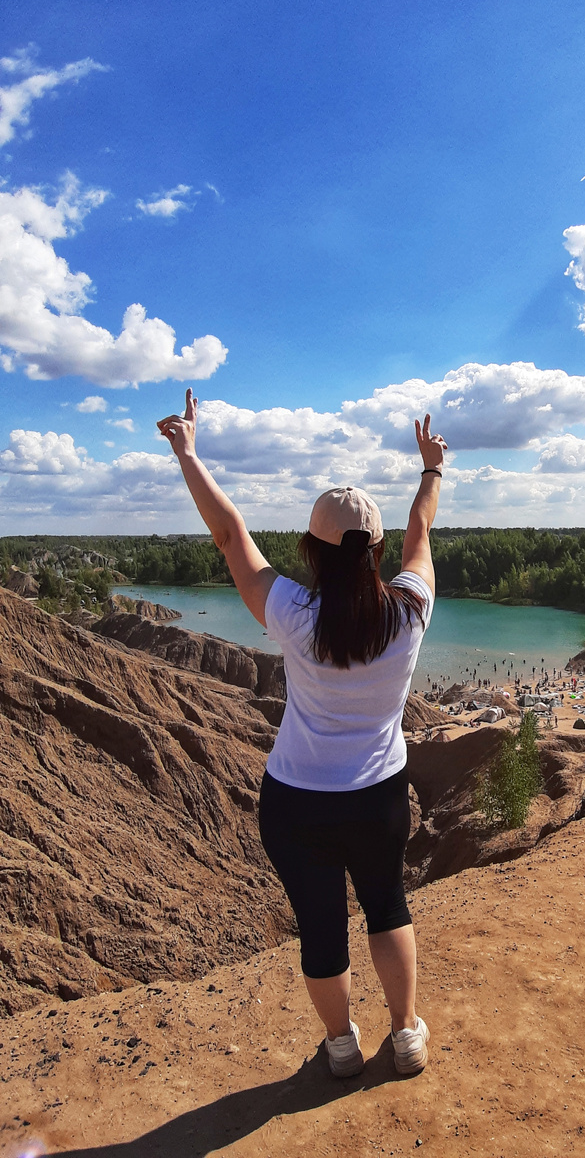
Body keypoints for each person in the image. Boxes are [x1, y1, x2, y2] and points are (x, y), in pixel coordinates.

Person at [157, 389, 447, 1078]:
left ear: (311, 550)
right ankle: (406, 1036)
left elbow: (230, 535)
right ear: (373, 552)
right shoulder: (409, 613)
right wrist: (432, 469)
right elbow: (421, 534)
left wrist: (189, 454)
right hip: (378, 796)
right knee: (387, 906)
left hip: (296, 804)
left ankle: (340, 1046)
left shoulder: (293, 611)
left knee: (321, 928)